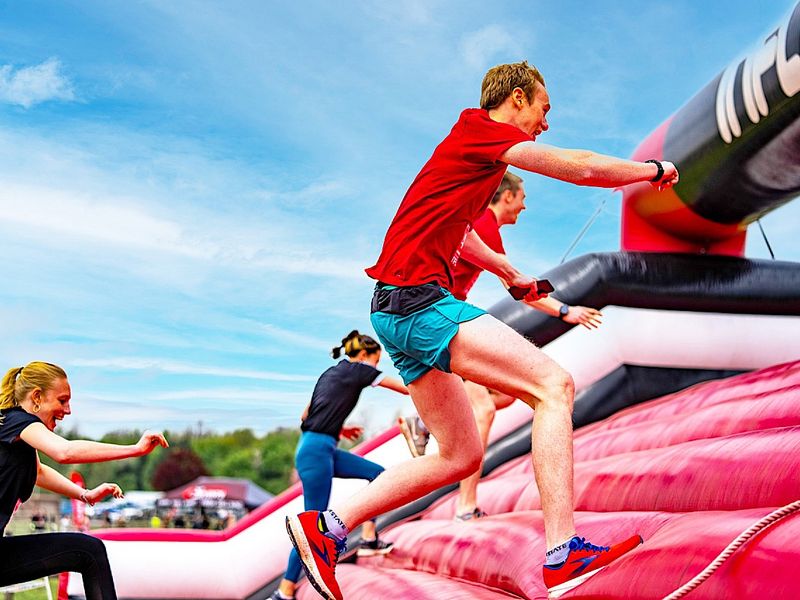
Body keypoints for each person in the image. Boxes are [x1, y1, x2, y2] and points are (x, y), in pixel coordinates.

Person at [286, 61, 679, 600]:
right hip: (420, 302)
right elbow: (580, 167)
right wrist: (653, 170)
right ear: (517, 98)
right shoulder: (482, 131)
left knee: (460, 455)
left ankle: (326, 528)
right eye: (544, 109)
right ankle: (563, 552)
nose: (545, 123)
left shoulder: (473, 155)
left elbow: (460, 231)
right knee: (554, 387)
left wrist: (508, 273)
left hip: (394, 309)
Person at [397, 171, 604, 522]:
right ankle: (465, 506)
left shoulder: (485, 228)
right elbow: (519, 287)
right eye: (521, 196)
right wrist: (565, 310)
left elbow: (517, 285)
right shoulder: (483, 223)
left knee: (505, 395)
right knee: (485, 410)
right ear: (505, 196)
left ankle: (422, 423)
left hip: (436, 321)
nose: (524, 205)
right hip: (440, 321)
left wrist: (562, 310)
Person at [0, 362, 168, 600]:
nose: (67, 410)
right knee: (88, 551)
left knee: (87, 551)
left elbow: (39, 472)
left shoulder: (14, 433)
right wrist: (135, 449)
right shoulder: (16, 421)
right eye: (61, 400)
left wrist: (84, 494)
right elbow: (65, 452)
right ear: (36, 397)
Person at [272, 331, 409, 600]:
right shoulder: (360, 370)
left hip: (318, 446)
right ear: (365, 355)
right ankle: (284, 590)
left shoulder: (329, 373)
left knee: (378, 476)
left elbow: (306, 414)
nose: (376, 368)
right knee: (313, 526)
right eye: (376, 361)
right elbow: (405, 387)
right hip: (316, 453)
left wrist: (337, 429)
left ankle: (369, 538)